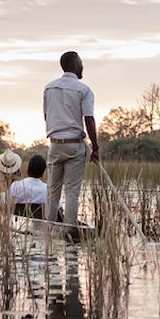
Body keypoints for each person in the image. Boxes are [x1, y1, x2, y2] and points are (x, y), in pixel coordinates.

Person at [43, 51, 99, 225]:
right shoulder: (84, 89)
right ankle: (68, 230)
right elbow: (88, 118)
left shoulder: (49, 87)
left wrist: (69, 128)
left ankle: (49, 231)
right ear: (75, 65)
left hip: (55, 145)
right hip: (74, 146)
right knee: (72, 192)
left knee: (52, 191)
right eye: (81, 63)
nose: (83, 67)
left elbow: (48, 116)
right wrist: (95, 148)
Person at [6, 154, 48, 219]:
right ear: (43, 172)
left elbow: (7, 204)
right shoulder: (48, 189)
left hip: (17, 222)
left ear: (28, 169)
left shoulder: (16, 185)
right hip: (41, 225)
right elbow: (58, 208)